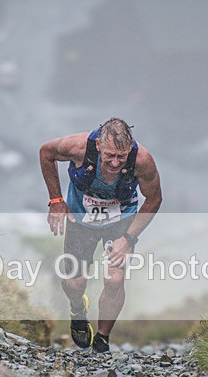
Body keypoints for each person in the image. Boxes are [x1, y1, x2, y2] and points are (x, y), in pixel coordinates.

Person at [39, 118, 163, 352]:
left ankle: (102, 339)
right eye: (109, 156)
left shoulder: (142, 161)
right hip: (80, 219)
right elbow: (46, 152)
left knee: (115, 280)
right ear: (98, 146)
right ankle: (78, 309)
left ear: (129, 150)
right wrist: (56, 200)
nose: (115, 163)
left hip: (120, 221)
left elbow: (155, 199)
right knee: (73, 283)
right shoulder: (78, 147)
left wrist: (129, 238)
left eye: (121, 156)